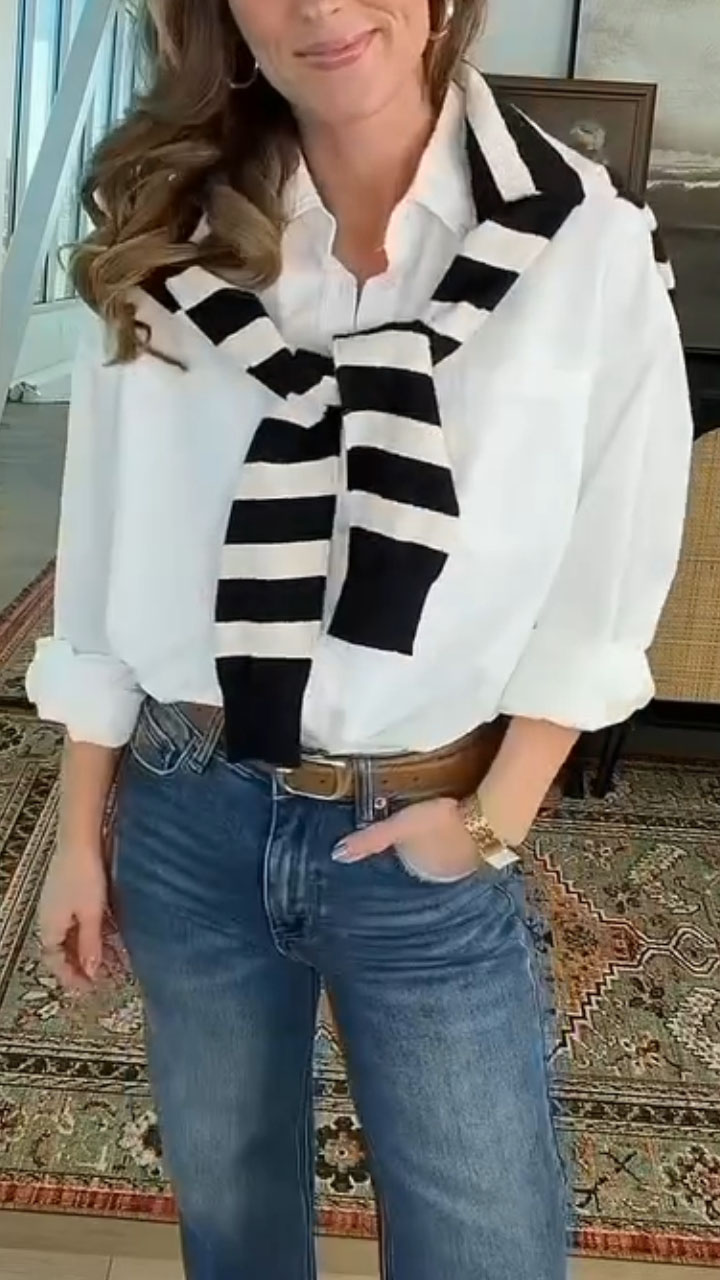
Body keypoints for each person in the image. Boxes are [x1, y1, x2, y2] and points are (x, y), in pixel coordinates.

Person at [26, 0, 693, 1275]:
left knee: (486, 1243)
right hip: (191, 807)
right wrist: (79, 837)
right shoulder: (165, 236)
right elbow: (103, 544)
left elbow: (609, 566)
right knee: (232, 1217)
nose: (321, 6)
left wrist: (493, 815)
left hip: (424, 827)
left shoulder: (584, 244)